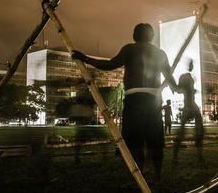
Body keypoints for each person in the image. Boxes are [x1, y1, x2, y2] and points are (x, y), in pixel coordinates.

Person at [71, 23, 177, 182]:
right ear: (152, 36)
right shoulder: (160, 53)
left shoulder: (130, 49)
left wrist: (85, 58)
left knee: (135, 141)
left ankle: (140, 176)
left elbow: (109, 65)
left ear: (135, 35)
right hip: (153, 100)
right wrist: (177, 87)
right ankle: (156, 176)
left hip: (135, 99)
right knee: (155, 140)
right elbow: (170, 78)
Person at [173, 59, 204, 164]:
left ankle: (176, 156)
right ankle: (176, 156)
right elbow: (179, 89)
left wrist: (192, 90)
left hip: (190, 105)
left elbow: (179, 89)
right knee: (192, 131)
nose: (192, 66)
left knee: (196, 131)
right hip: (190, 106)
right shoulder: (186, 77)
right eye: (191, 64)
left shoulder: (188, 77)